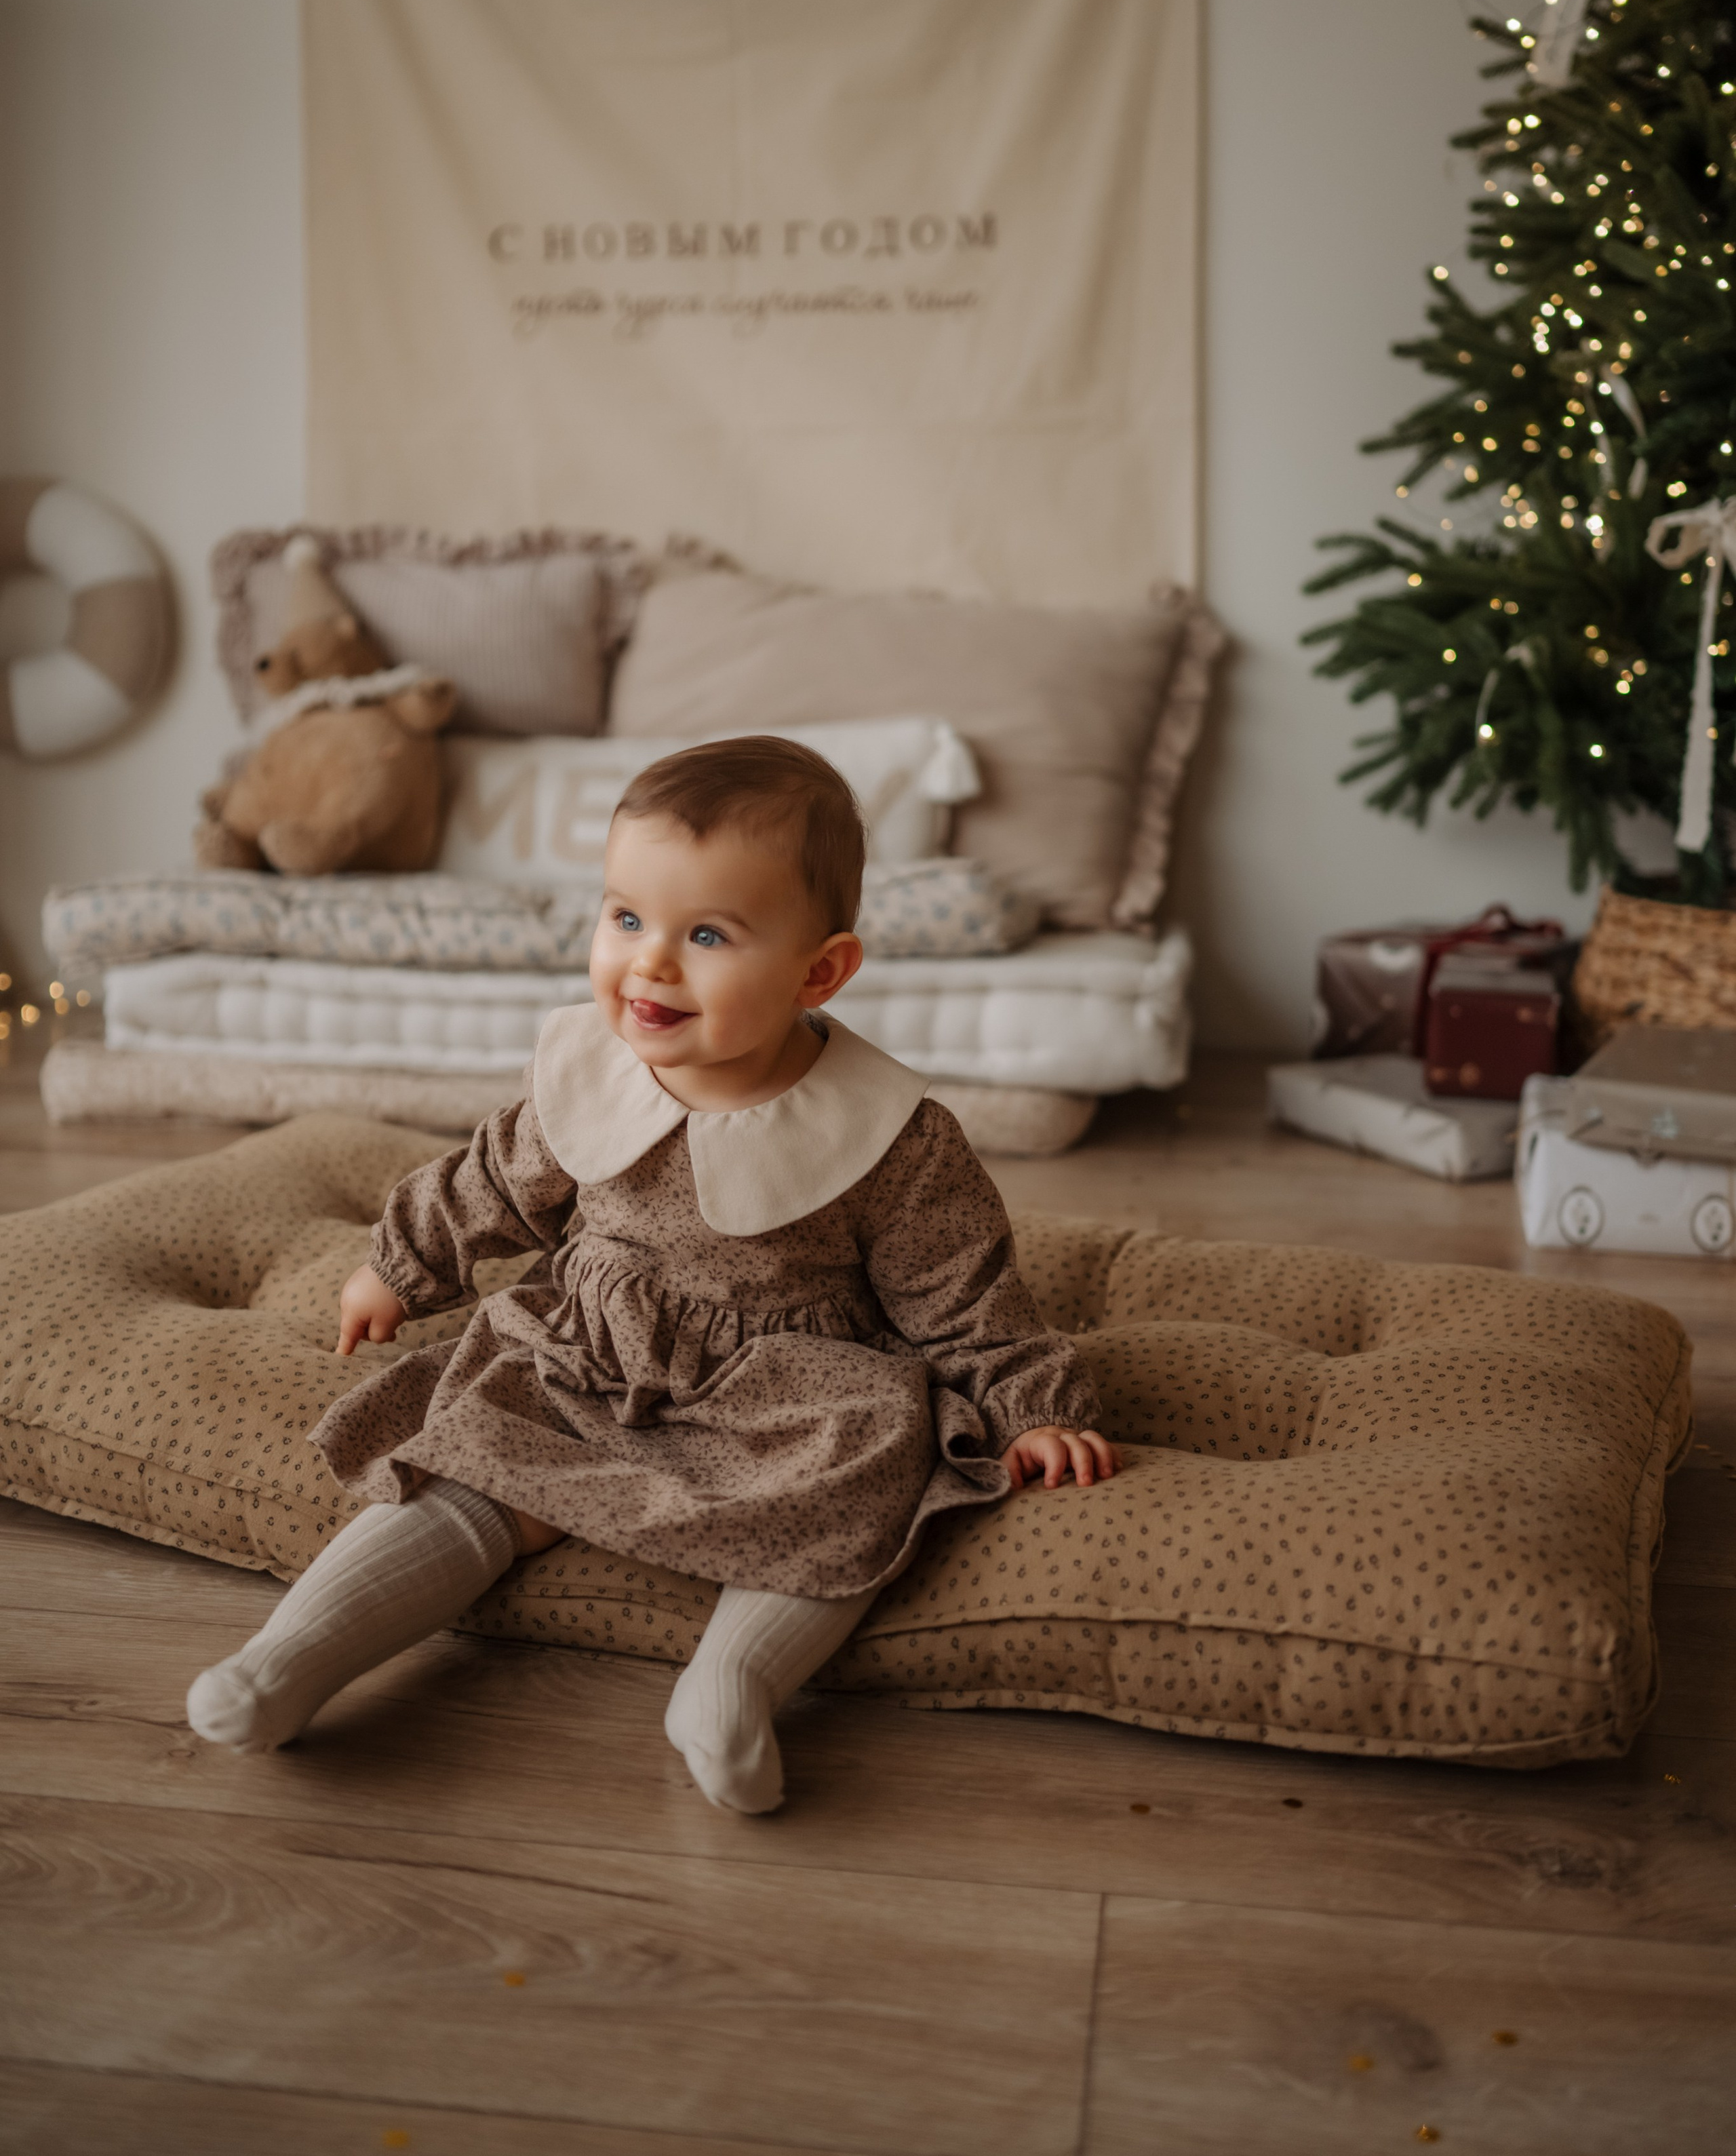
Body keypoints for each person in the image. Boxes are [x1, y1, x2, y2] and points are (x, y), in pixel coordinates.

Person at [187, 735, 1118, 1811]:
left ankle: (731, 1688)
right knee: (471, 1456)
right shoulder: (596, 1071)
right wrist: (403, 1265)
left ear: (821, 970)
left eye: (708, 934)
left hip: (791, 1388)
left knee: (861, 1479)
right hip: (592, 1350)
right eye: (625, 917)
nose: (650, 964)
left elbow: (963, 1293)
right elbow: (496, 1176)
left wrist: (1029, 1407)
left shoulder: (888, 1137)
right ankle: (286, 1660)